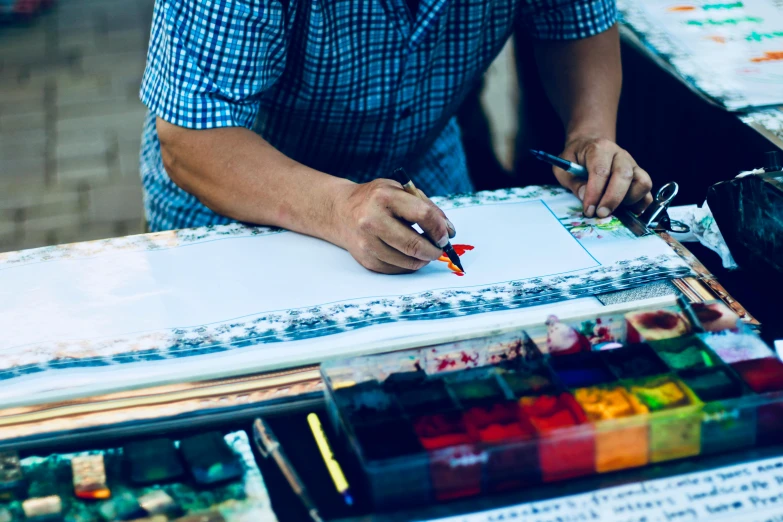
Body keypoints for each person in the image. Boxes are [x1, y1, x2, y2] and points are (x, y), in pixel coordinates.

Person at [139, 0, 653, 275]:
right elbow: (194, 139)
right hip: (242, 191)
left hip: (420, 163)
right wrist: (337, 206)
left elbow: (575, 20)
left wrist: (588, 133)